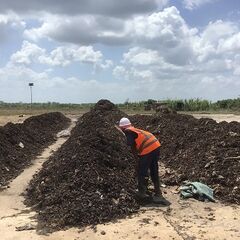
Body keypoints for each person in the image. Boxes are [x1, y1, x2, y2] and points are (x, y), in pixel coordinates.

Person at [118, 117, 170, 205]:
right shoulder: (134, 129)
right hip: (156, 145)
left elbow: (132, 147)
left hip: (148, 149)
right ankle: (158, 192)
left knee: (141, 171)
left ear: (122, 128)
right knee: (154, 170)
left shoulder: (128, 131)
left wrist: (137, 160)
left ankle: (142, 193)